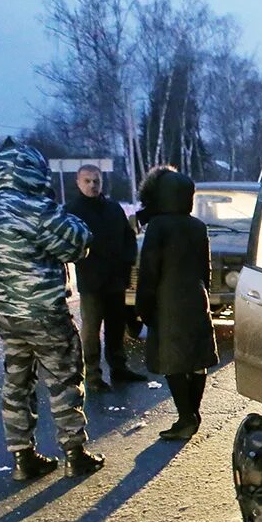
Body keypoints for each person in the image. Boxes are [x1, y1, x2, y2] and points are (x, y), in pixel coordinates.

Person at [0, 142, 105, 480]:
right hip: (46, 313)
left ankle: (22, 457)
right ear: (33, 172)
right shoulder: (37, 209)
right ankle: (75, 454)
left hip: (9, 315)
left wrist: (1, 299)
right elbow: (78, 244)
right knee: (63, 379)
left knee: (17, 382)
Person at [136, 167, 219, 439]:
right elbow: (205, 268)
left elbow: (149, 270)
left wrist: (144, 307)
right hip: (196, 298)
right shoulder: (197, 225)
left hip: (166, 301)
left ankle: (186, 417)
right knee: (196, 359)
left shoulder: (158, 226)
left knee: (172, 362)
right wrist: (201, 292)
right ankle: (192, 415)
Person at [67, 165, 146, 391]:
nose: (92, 185)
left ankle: (119, 369)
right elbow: (64, 245)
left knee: (115, 327)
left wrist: (127, 263)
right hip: (91, 282)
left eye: (96, 181)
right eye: (88, 181)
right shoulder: (72, 211)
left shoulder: (113, 209)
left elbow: (129, 238)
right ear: (78, 182)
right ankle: (92, 376)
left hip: (116, 279)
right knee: (91, 331)